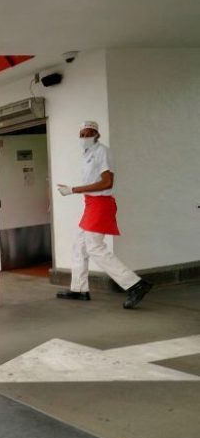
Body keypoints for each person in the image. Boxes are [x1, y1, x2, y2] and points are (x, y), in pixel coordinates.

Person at [56, 121, 152, 308]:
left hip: (100, 204)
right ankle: (79, 289)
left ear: (97, 135)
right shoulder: (87, 154)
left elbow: (107, 182)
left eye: (89, 133)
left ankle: (135, 284)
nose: (85, 137)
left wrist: (73, 189)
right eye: (82, 134)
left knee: (94, 247)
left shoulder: (102, 152)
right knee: (79, 246)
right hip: (91, 204)